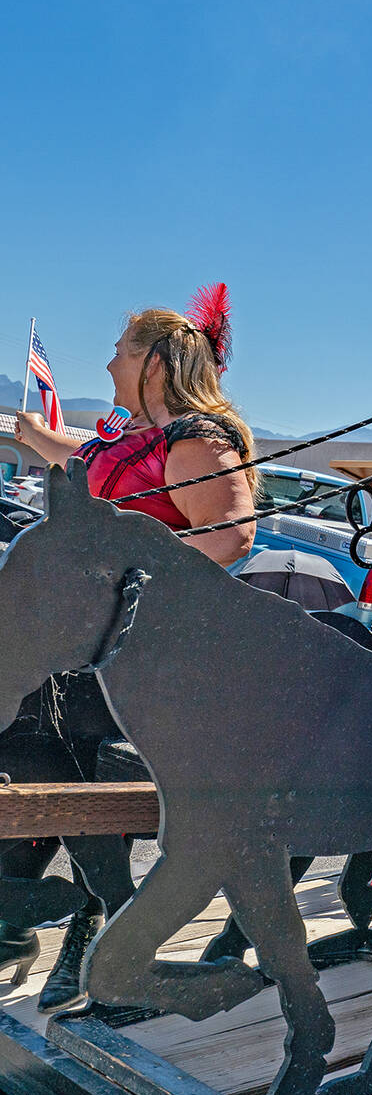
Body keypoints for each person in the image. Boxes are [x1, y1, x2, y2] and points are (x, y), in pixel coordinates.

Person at [4, 286, 257, 1011]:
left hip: (156, 650)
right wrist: (26, 434)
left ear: (152, 360)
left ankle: (88, 915)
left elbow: (233, 533)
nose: (109, 359)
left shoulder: (197, 438)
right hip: (99, 642)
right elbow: (86, 453)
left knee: (29, 721)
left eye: (120, 348)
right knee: (30, 729)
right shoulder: (137, 436)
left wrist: (136, 591)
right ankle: (74, 912)